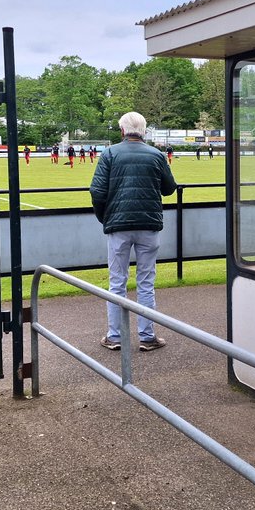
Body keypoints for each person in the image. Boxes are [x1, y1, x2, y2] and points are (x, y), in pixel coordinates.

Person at [90, 111, 176, 352]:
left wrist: (104, 217)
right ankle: (147, 337)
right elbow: (169, 188)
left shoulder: (110, 153)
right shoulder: (156, 155)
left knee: (117, 282)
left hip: (118, 226)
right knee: (146, 282)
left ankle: (115, 336)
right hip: (148, 225)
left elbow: (97, 191)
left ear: (122, 131)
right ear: (144, 131)